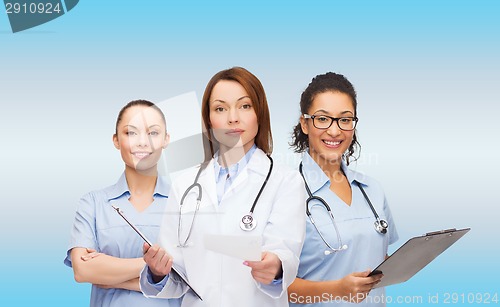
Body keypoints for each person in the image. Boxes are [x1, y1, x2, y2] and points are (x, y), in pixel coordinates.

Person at [139, 67, 306, 306]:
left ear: (260, 112)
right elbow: (177, 276)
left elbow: (285, 254)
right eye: (220, 108)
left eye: (244, 106)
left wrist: (276, 267)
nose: (232, 118)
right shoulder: (185, 185)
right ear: (209, 119)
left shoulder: (285, 181)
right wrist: (157, 272)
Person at [288, 72, 399, 306]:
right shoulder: (286, 192)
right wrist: (337, 290)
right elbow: (275, 286)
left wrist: (414, 258)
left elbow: (377, 259)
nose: (335, 131)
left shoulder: (372, 190)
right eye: (323, 119)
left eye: (345, 119)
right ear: (305, 124)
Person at [64, 100, 180, 307]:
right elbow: (82, 271)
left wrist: (108, 273)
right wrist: (153, 266)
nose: (142, 142)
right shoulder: (93, 203)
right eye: (131, 133)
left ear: (166, 139)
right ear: (116, 140)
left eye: (153, 133)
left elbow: (189, 277)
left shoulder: (185, 204)